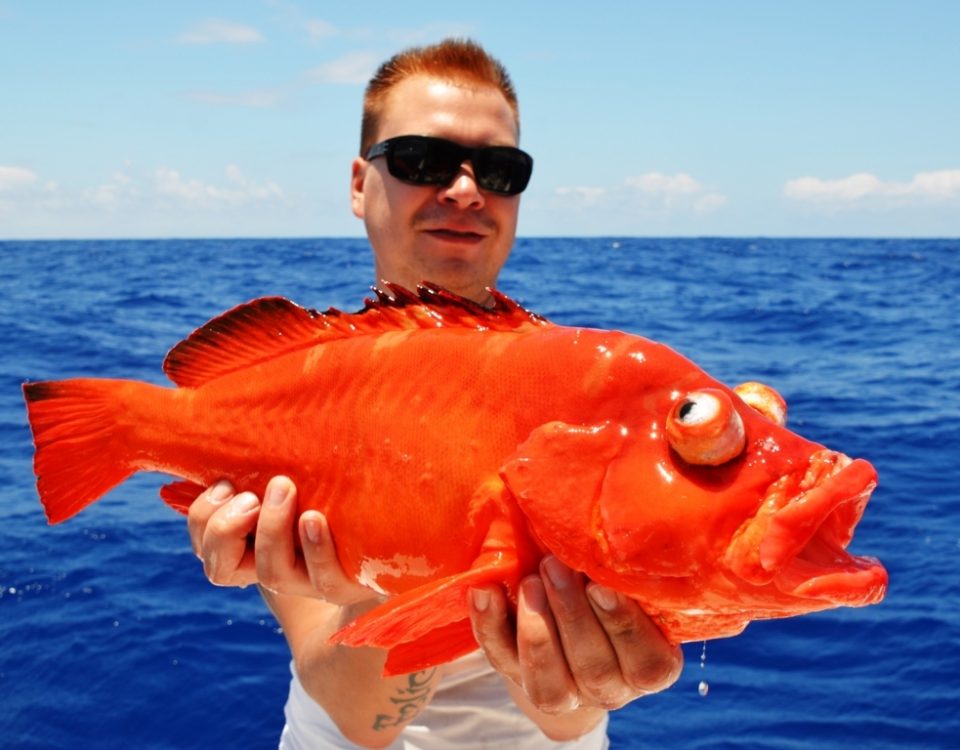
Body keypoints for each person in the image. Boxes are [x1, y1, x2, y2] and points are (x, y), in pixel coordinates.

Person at [186, 39, 682, 749]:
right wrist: (402, 568)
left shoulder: (573, 392)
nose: (466, 190)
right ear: (359, 184)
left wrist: (597, 678)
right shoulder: (294, 396)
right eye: (423, 161)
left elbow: (565, 717)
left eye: (501, 170)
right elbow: (358, 716)